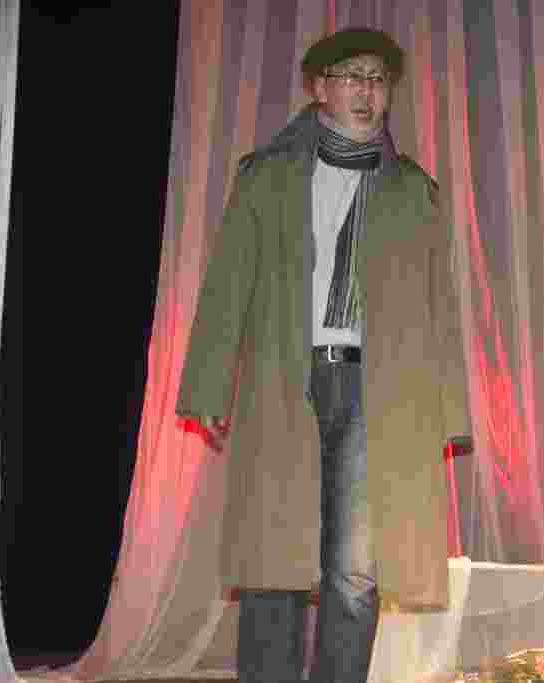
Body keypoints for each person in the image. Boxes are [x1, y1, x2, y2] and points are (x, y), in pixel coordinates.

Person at [176, 27, 472, 683]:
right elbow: (229, 284)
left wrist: (447, 412)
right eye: (351, 76)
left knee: (356, 570)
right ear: (319, 88)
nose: (367, 91)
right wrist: (208, 385)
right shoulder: (269, 176)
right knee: (274, 558)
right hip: (286, 380)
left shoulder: (413, 190)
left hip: (378, 390)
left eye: (378, 79)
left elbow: (438, 305)